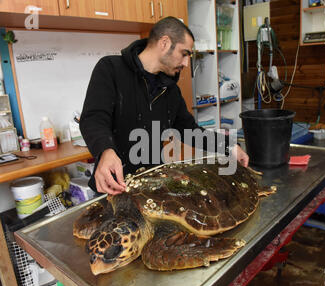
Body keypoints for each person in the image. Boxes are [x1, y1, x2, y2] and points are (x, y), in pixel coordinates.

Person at [80, 16, 249, 195]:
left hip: (153, 187)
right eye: (184, 54)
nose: (186, 63)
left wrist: (230, 146)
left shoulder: (170, 90)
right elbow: (93, 118)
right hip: (113, 186)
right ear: (165, 43)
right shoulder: (110, 69)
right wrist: (105, 150)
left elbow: (191, 131)